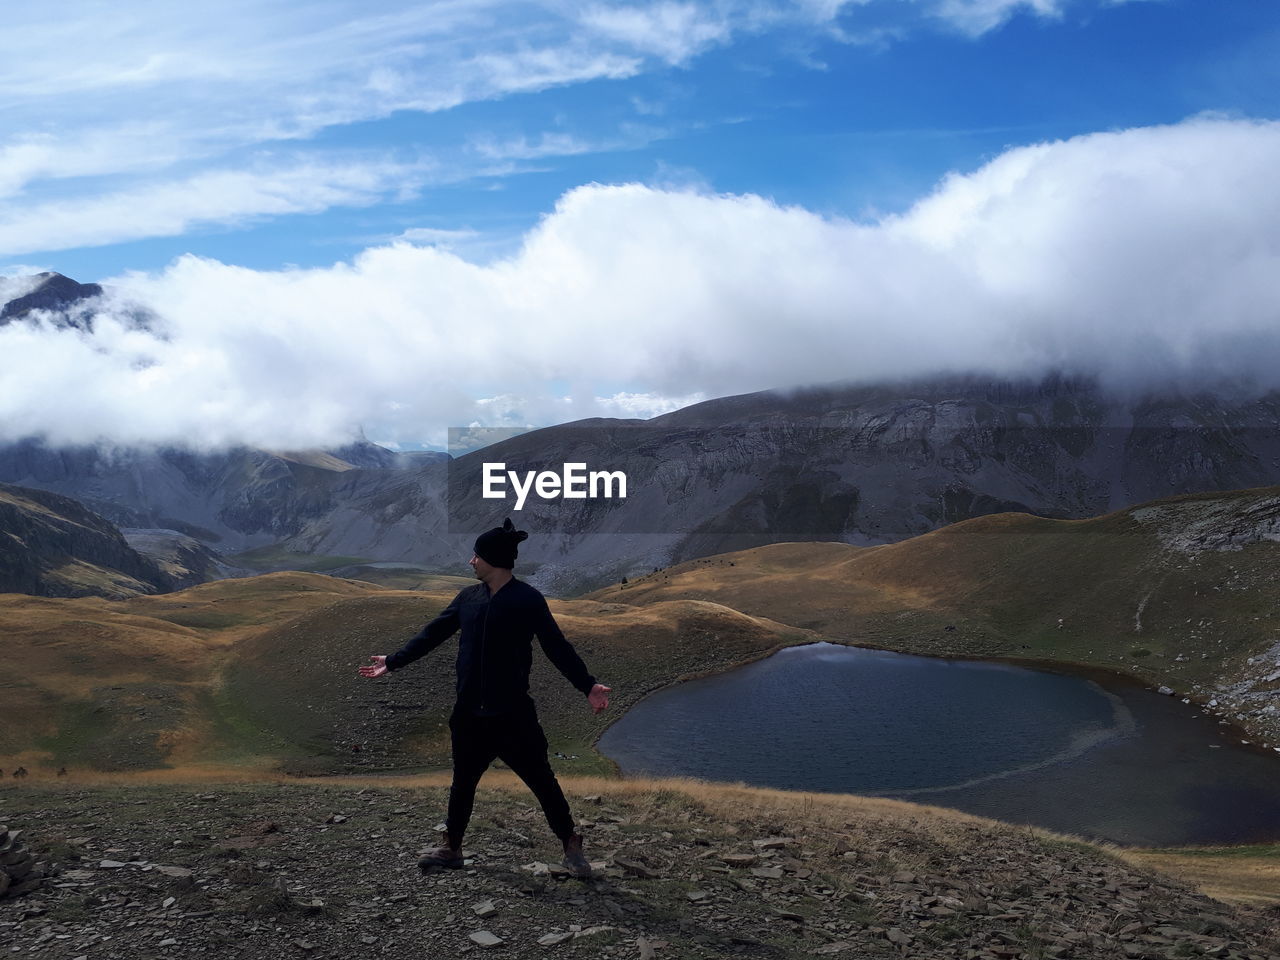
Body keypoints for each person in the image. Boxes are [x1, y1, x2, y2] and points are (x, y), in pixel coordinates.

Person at [359, 518, 611, 878]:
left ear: (493, 559)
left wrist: (587, 685)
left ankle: (571, 843)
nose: (471, 562)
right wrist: (394, 661)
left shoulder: (528, 600)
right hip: (468, 714)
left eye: (476, 556)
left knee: (542, 780)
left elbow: (557, 647)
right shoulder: (468, 598)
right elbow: (433, 633)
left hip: (513, 715)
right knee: (463, 781)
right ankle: (452, 847)